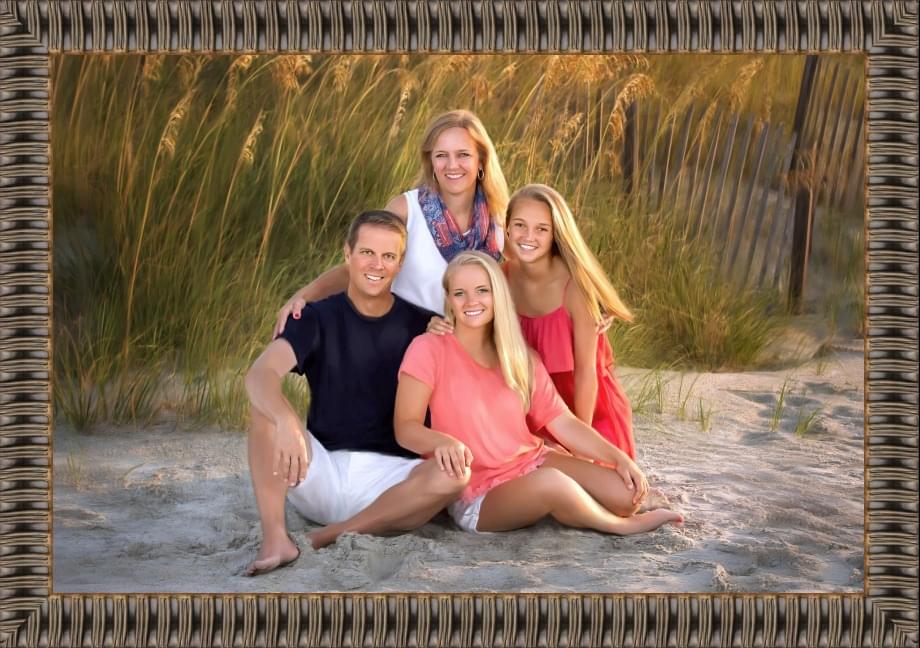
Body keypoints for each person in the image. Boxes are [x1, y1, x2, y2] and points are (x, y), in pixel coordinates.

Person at [244, 210, 468, 576]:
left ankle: (338, 533)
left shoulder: (424, 326)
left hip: (393, 483)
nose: (376, 265)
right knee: (264, 411)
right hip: (320, 471)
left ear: (400, 264)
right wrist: (285, 420)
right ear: (347, 255)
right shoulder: (316, 317)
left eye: (388, 256)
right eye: (367, 253)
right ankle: (275, 539)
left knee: (455, 473)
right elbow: (259, 374)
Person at [395, 251, 682, 534]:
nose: (472, 301)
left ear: (498, 296)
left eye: (482, 290)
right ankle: (618, 526)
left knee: (625, 495)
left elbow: (563, 422)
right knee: (552, 484)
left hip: (531, 461)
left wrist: (620, 458)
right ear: (448, 299)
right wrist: (441, 441)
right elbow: (405, 428)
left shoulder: (521, 358)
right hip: (478, 490)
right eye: (460, 293)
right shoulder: (429, 349)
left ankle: (577, 507)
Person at [429, 184, 637, 458]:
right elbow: (474, 341)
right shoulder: (498, 279)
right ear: (506, 227)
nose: (529, 236)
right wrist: (441, 326)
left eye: (541, 228)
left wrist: (578, 446)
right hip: (527, 407)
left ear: (555, 234)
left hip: (586, 411)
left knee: (599, 488)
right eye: (519, 225)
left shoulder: (576, 287)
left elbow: (586, 374)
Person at [274, 109, 509, 334]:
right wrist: (303, 297)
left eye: (463, 155)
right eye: (441, 155)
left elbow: (524, 284)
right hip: (406, 345)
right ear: (431, 163)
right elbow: (360, 268)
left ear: (481, 161)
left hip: (471, 351)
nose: (452, 165)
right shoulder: (408, 211)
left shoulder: (499, 222)